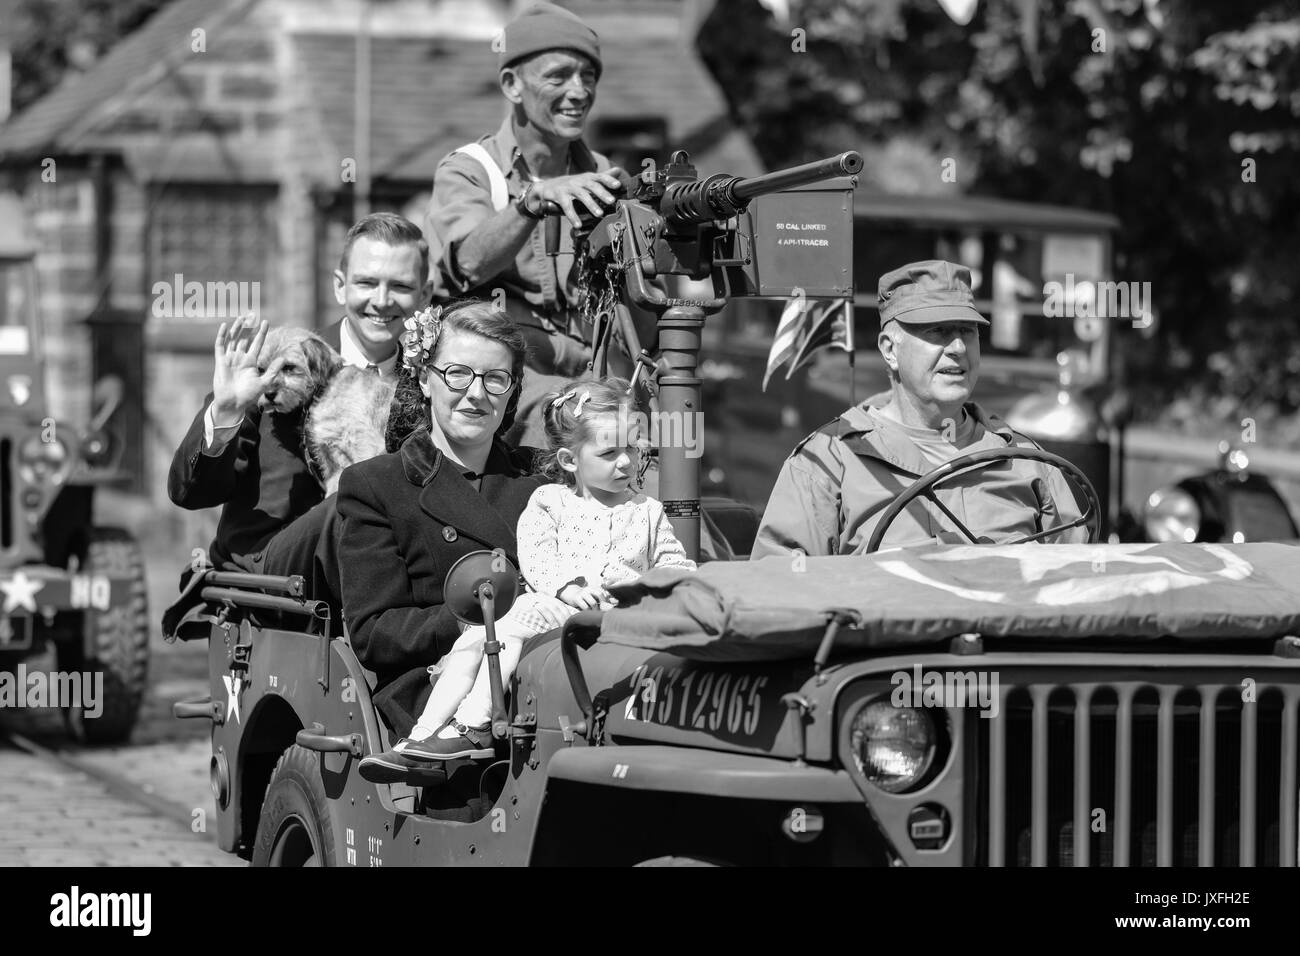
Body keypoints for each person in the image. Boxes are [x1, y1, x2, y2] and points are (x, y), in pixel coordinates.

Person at [363, 376, 696, 772]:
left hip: (615, 618)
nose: (626, 461)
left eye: (631, 447)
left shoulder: (647, 511)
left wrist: (647, 589)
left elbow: (678, 565)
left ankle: (471, 725)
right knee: (481, 637)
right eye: (609, 452)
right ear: (570, 461)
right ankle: (423, 736)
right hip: (560, 610)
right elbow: (536, 557)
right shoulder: (550, 502)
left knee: (504, 628)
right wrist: (567, 587)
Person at [337, 299, 567, 767]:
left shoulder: (542, 483)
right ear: (425, 378)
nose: (476, 394)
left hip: (546, 667)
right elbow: (373, 633)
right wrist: (473, 617)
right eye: (457, 373)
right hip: (438, 688)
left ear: (511, 392)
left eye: (495, 379)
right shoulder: (376, 485)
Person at [753, 260, 1088, 557]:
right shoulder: (828, 464)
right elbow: (780, 592)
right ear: (889, 349)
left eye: (967, 332)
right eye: (938, 331)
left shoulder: (1027, 462)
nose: (957, 348)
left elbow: (1078, 583)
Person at [166, 213, 428, 578]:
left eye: (400, 286)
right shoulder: (280, 360)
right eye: (366, 283)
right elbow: (190, 493)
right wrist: (226, 410)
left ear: (425, 294)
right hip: (273, 573)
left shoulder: (431, 382)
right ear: (340, 286)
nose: (382, 301)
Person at [423, 1, 627, 446]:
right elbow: (466, 266)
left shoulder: (608, 179)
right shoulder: (471, 171)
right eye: (558, 76)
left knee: (665, 453)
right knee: (589, 431)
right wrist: (530, 204)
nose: (579, 91)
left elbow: (639, 304)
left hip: (600, 377)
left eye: (588, 76)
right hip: (504, 383)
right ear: (512, 85)